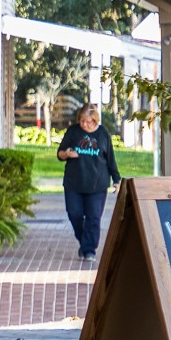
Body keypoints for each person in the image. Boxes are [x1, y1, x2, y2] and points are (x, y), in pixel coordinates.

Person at [56, 103, 119, 262]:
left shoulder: (103, 133)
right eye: (82, 121)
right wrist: (67, 154)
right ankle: (86, 241)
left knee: (94, 217)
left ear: (95, 120)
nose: (85, 124)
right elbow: (60, 154)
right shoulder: (73, 132)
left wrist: (116, 179)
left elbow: (110, 158)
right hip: (74, 183)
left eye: (89, 121)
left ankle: (89, 250)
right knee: (74, 213)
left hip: (97, 184)